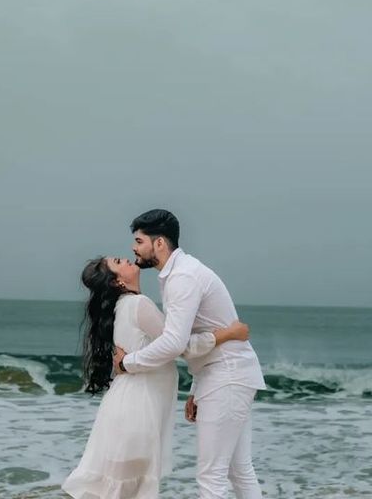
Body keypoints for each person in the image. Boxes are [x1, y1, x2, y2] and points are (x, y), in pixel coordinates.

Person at [62, 255, 250, 499]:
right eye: (119, 262)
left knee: (121, 489)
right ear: (116, 282)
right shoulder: (139, 304)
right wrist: (228, 333)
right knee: (131, 489)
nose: (129, 259)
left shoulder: (124, 308)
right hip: (137, 409)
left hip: (126, 405)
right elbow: (180, 346)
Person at [113, 209, 266, 499]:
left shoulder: (183, 277)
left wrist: (127, 363)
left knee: (212, 476)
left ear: (159, 243)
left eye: (139, 240)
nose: (134, 248)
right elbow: (198, 335)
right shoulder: (179, 274)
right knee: (238, 470)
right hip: (226, 375)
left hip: (227, 376)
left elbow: (174, 342)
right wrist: (197, 387)